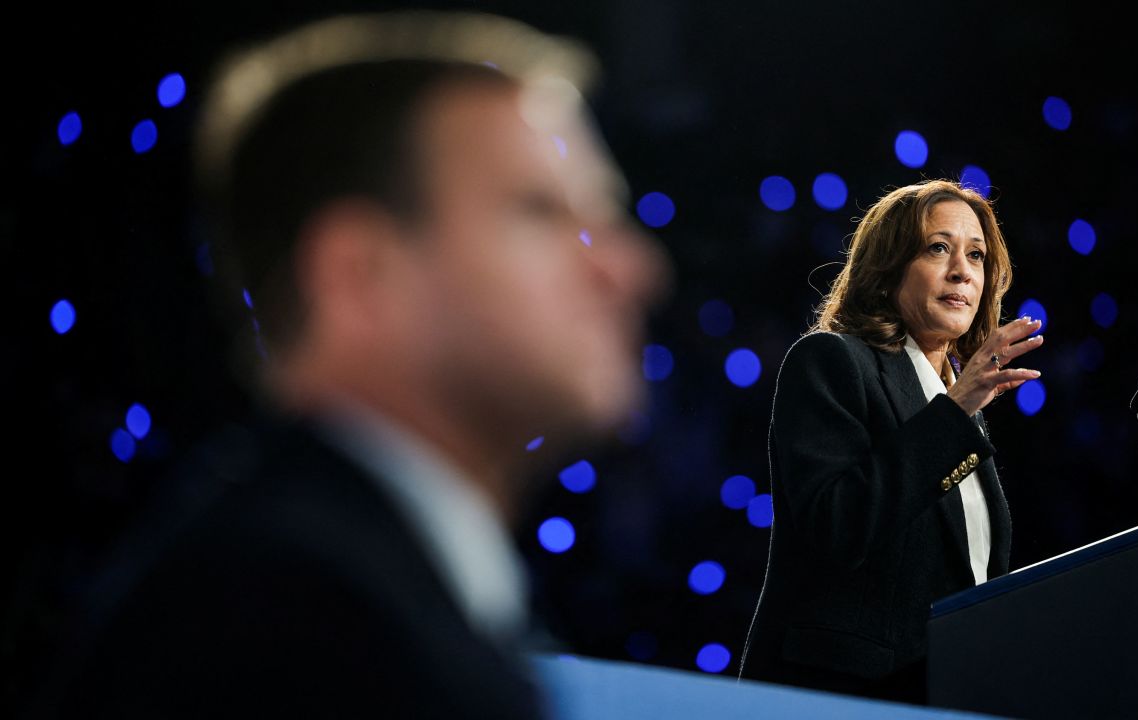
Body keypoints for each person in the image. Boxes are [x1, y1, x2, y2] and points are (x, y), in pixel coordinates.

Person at [37, 11, 665, 718]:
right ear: (356, 276)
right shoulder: (295, 623)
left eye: (605, 217)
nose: (630, 270)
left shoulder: (342, 588)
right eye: (541, 213)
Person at [738, 179, 1043, 703]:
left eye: (976, 255)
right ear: (888, 267)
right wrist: (955, 413)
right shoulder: (831, 362)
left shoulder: (955, 404)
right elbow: (839, 525)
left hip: (944, 692)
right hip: (840, 695)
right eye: (938, 248)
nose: (962, 271)